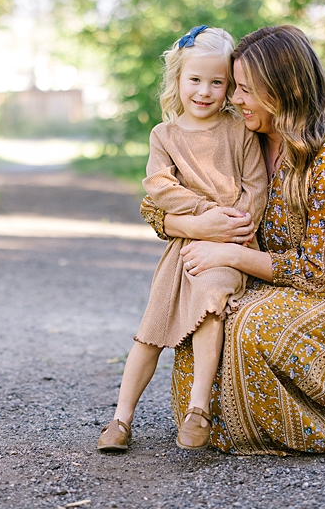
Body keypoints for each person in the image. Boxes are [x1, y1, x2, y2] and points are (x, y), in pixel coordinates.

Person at [141, 24, 325, 455]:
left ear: (282, 91)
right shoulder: (240, 135)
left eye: (245, 90)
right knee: (205, 325)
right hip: (275, 283)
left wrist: (227, 252)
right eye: (236, 87)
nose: (234, 99)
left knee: (248, 326)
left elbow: (317, 270)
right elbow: (153, 206)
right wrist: (194, 227)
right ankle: (232, 418)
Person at [97, 25, 267, 453]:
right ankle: (120, 419)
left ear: (230, 87)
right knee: (149, 332)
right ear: (178, 79)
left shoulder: (239, 131)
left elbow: (256, 185)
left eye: (217, 82)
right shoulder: (165, 135)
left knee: (211, 308)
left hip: (231, 247)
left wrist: (235, 228)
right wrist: (204, 212)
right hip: (183, 250)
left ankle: (198, 410)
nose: (205, 91)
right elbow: (158, 186)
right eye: (195, 80)